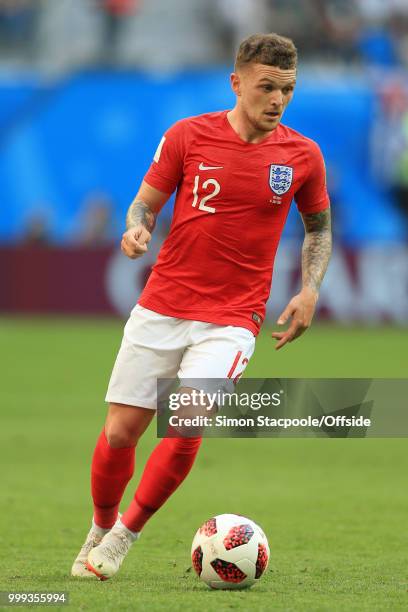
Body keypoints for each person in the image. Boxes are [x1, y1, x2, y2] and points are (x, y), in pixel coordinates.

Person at [71, 32, 332, 581]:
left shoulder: (302, 155)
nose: (278, 99)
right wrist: (136, 230)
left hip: (234, 319)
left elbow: (318, 229)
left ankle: (124, 536)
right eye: (267, 87)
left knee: (185, 422)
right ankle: (100, 524)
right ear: (237, 83)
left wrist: (310, 289)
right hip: (163, 304)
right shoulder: (188, 136)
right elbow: (145, 202)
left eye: (287, 89)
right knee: (121, 432)